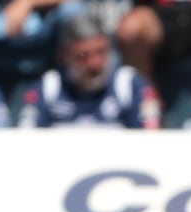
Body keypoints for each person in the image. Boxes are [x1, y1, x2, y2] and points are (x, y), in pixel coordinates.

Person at [19, 13, 163, 127]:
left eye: (101, 52)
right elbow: (26, 141)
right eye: (83, 56)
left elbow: (150, 140)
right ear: (63, 55)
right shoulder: (48, 88)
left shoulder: (130, 86)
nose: (94, 64)